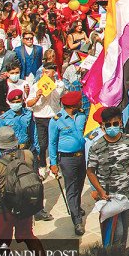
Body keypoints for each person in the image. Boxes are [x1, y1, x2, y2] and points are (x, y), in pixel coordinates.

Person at [86, 106, 129, 246]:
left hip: (127, 195)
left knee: (123, 233)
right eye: (108, 124)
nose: (112, 127)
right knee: (114, 234)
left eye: (115, 123)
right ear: (103, 125)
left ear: (120, 123)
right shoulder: (96, 146)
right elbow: (90, 171)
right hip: (108, 198)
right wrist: (99, 190)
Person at [0, 126, 43, 256]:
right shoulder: (27, 155)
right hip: (26, 204)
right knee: (29, 236)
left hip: (6, 209)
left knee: (2, 242)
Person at [48, 91, 88, 235]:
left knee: (80, 184)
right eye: (79, 101)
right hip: (67, 159)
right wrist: (53, 163)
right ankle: (77, 220)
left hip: (81, 156)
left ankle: (76, 206)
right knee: (71, 188)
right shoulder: (57, 120)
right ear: (73, 105)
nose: (81, 103)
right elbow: (52, 143)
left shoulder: (82, 115)